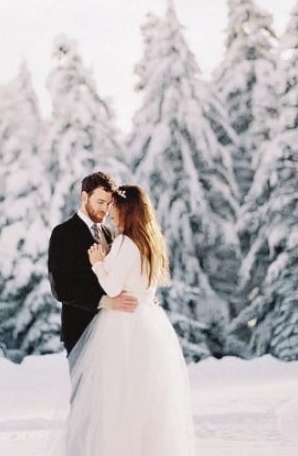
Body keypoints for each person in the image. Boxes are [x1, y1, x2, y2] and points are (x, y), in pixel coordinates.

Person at [61, 184, 196, 456]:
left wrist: (98, 262)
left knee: (116, 397)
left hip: (123, 324)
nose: (110, 213)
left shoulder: (125, 242)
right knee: (145, 398)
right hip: (149, 323)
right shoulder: (151, 242)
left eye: (115, 208)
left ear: (127, 210)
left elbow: (112, 287)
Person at [48, 172, 139, 356]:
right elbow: (61, 288)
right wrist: (106, 302)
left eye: (109, 204)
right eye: (100, 202)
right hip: (80, 331)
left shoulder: (111, 234)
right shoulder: (63, 233)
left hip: (113, 330)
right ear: (84, 197)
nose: (105, 210)